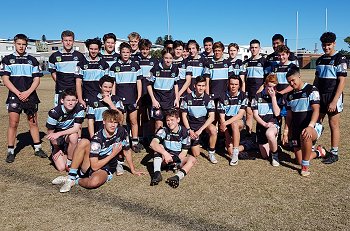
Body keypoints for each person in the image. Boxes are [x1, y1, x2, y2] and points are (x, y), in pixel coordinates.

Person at [52, 109, 144, 193]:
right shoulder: (97, 138)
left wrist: (133, 169)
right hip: (92, 163)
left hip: (106, 167)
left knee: (94, 182)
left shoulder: (122, 131)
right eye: (110, 122)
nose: (113, 125)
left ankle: (75, 180)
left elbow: (127, 150)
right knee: (84, 142)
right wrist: (113, 154)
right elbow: (95, 166)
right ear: (104, 122)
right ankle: (70, 178)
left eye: (115, 122)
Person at [1, 33, 47, 163]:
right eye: (19, 44)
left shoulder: (32, 60)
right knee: (13, 123)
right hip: (14, 96)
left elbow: (36, 79)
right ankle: (11, 151)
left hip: (30, 96)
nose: (21, 47)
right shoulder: (7, 60)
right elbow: (5, 79)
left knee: (33, 122)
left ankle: (37, 148)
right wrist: (18, 93)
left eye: (23, 44)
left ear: (26, 45)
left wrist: (27, 92)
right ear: (14, 44)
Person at [283, 66, 325, 176]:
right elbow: (289, 116)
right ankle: (318, 152)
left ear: (299, 76)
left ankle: (305, 168)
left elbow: (316, 110)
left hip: (312, 127)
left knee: (305, 134)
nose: (291, 84)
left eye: (293, 80)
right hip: (297, 128)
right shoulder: (290, 96)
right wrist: (286, 131)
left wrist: (311, 126)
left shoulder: (311, 89)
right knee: (298, 160)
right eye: (289, 82)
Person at [314, 32, 347, 164]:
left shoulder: (340, 58)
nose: (326, 47)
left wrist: (334, 101)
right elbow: (316, 80)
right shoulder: (320, 59)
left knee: (333, 125)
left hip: (333, 96)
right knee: (316, 122)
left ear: (334, 44)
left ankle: (334, 153)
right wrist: (313, 94)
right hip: (320, 96)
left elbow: (342, 81)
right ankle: (311, 146)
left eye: (328, 45)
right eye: (324, 45)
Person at [149, 108, 196, 188]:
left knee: (192, 159)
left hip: (177, 160)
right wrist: (165, 154)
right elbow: (152, 144)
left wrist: (173, 159)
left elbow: (184, 153)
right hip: (164, 159)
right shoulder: (163, 130)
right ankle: (157, 174)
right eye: (167, 120)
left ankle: (177, 177)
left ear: (178, 120)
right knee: (158, 146)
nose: (169, 123)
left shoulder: (185, 132)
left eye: (172, 120)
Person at [110, 42, 143, 153]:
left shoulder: (135, 65)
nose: (125, 54)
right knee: (120, 121)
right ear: (120, 52)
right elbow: (113, 83)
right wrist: (114, 98)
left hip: (132, 98)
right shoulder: (114, 66)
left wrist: (138, 97)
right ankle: (120, 142)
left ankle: (134, 142)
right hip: (119, 98)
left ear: (130, 53)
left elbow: (139, 82)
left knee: (133, 121)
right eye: (123, 52)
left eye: (127, 52)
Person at [87, 76, 124, 175]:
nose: (107, 89)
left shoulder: (116, 99)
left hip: (114, 132)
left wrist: (110, 103)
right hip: (99, 133)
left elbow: (121, 119)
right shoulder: (93, 100)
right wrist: (92, 136)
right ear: (100, 86)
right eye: (105, 87)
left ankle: (119, 163)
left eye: (110, 87)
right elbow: (90, 120)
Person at [46, 89, 85, 171]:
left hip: (68, 136)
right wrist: (56, 147)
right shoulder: (54, 113)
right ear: (62, 100)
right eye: (68, 100)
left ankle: (69, 161)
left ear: (77, 101)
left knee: (74, 136)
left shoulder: (80, 108)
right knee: (61, 168)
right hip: (57, 141)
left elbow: (76, 128)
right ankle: (63, 152)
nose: (70, 103)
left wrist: (59, 133)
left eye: (73, 100)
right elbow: (51, 134)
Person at [180, 76, 217, 163]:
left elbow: (212, 117)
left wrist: (200, 130)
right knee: (196, 154)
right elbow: (184, 116)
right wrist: (189, 130)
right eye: (199, 85)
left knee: (213, 130)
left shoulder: (208, 99)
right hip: (191, 126)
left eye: (203, 86)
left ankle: (211, 153)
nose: (201, 88)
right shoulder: (187, 98)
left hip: (202, 126)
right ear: (194, 86)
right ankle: (193, 141)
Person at [251, 74, 281, 166]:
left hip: (273, 125)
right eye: (269, 86)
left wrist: (273, 98)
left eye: (274, 87)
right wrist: (264, 124)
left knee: (269, 133)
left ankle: (275, 156)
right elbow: (255, 115)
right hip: (261, 126)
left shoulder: (278, 96)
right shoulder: (257, 97)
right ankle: (275, 145)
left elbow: (277, 113)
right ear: (265, 84)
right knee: (265, 155)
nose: (271, 89)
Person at [48, 30, 85, 106]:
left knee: (75, 114)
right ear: (62, 41)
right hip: (61, 90)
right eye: (65, 40)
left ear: (73, 41)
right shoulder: (54, 56)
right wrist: (59, 82)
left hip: (75, 90)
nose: (68, 43)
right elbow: (52, 71)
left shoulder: (79, 56)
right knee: (61, 114)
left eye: (70, 40)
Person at [147, 48, 179, 131]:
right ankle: (157, 143)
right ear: (162, 58)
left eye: (170, 58)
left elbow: (176, 84)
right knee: (158, 125)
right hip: (158, 100)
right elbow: (149, 85)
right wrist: (153, 100)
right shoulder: (155, 69)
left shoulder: (175, 69)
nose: (168, 60)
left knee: (171, 123)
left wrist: (177, 99)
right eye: (166, 58)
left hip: (170, 101)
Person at [218, 75, 247, 166]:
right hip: (226, 123)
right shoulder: (222, 96)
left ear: (239, 85)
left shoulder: (243, 96)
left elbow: (240, 115)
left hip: (238, 122)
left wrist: (225, 123)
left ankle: (235, 154)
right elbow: (222, 116)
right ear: (228, 84)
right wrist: (224, 126)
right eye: (231, 84)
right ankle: (244, 146)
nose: (233, 86)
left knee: (234, 124)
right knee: (229, 151)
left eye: (236, 84)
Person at [242, 39, 268, 134]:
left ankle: (261, 136)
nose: (254, 49)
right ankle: (249, 135)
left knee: (260, 115)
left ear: (259, 49)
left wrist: (259, 92)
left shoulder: (264, 62)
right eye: (252, 48)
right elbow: (244, 79)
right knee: (249, 114)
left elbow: (266, 79)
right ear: (250, 49)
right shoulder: (246, 63)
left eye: (256, 47)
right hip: (249, 92)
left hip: (260, 92)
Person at [75, 38, 109, 108]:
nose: (93, 51)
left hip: (101, 96)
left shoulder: (104, 64)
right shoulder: (81, 64)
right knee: (90, 118)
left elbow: (107, 83)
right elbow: (78, 83)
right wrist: (80, 99)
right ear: (88, 49)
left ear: (99, 49)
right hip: (87, 96)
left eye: (96, 49)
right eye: (91, 49)